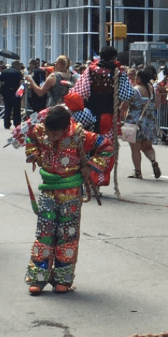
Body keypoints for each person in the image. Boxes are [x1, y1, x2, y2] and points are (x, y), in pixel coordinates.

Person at [22, 103, 111, 294]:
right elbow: (29, 138)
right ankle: (38, 278)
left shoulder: (80, 135)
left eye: (55, 134)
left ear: (64, 129)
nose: (50, 137)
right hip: (48, 191)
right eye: (48, 132)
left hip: (70, 193)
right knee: (44, 235)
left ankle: (63, 279)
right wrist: (34, 154)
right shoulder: (39, 130)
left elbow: (106, 145)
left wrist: (90, 166)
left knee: (67, 237)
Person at [72, 46, 132, 183]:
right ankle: (97, 178)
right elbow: (126, 94)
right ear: (113, 57)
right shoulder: (119, 72)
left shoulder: (90, 70)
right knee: (105, 147)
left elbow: (80, 92)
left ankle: (85, 177)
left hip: (88, 115)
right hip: (107, 117)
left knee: (86, 145)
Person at [124, 65, 161, 179]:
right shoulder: (152, 91)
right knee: (147, 147)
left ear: (139, 78)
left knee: (135, 149)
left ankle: (138, 172)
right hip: (149, 121)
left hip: (134, 122)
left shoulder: (134, 90)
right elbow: (157, 105)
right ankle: (153, 161)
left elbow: (125, 104)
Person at [0, 60, 24, 129]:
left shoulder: (5, 71)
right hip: (16, 92)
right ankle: (17, 124)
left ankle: (6, 124)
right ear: (17, 65)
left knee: (7, 108)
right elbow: (21, 82)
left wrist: (3, 86)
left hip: (6, 92)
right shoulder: (18, 72)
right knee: (16, 109)